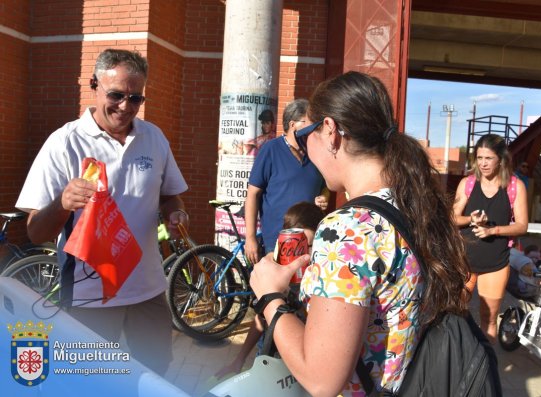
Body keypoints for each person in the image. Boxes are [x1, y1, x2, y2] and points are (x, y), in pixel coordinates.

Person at [248, 71, 470, 395]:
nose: (305, 144)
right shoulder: (410, 205)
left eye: (308, 132)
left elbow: (322, 379)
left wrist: (269, 297)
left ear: (330, 132)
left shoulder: (347, 229)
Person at [15, 48, 188, 375]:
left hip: (148, 290)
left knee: (155, 374)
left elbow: (170, 196)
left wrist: (175, 213)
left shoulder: (154, 137)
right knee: (90, 379)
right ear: (94, 84)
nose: (126, 107)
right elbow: (35, 231)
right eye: (116, 95)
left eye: (136, 98)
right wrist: (63, 203)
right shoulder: (64, 142)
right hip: (89, 297)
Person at [214, 201, 324, 380]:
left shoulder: (326, 283)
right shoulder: (275, 275)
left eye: (306, 247)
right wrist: (239, 360)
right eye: (294, 248)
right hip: (268, 361)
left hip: (302, 370)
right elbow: (260, 320)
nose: (301, 255)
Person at [453, 134, 528, 342]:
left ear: (501, 159)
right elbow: (452, 217)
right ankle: (460, 359)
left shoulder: (515, 186)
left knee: (489, 319)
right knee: (455, 313)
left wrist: (492, 231)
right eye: (479, 158)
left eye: (488, 158)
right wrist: (471, 218)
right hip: (463, 261)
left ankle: (487, 368)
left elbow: (522, 226)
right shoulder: (467, 183)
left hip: (496, 263)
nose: (483, 163)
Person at [244, 98, 328, 265]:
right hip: (277, 240)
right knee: (279, 290)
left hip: (311, 241)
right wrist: (251, 238)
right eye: (307, 123)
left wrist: (324, 197)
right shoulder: (271, 149)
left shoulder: (316, 152)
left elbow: (326, 186)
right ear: (292, 125)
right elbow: (252, 195)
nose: (312, 129)